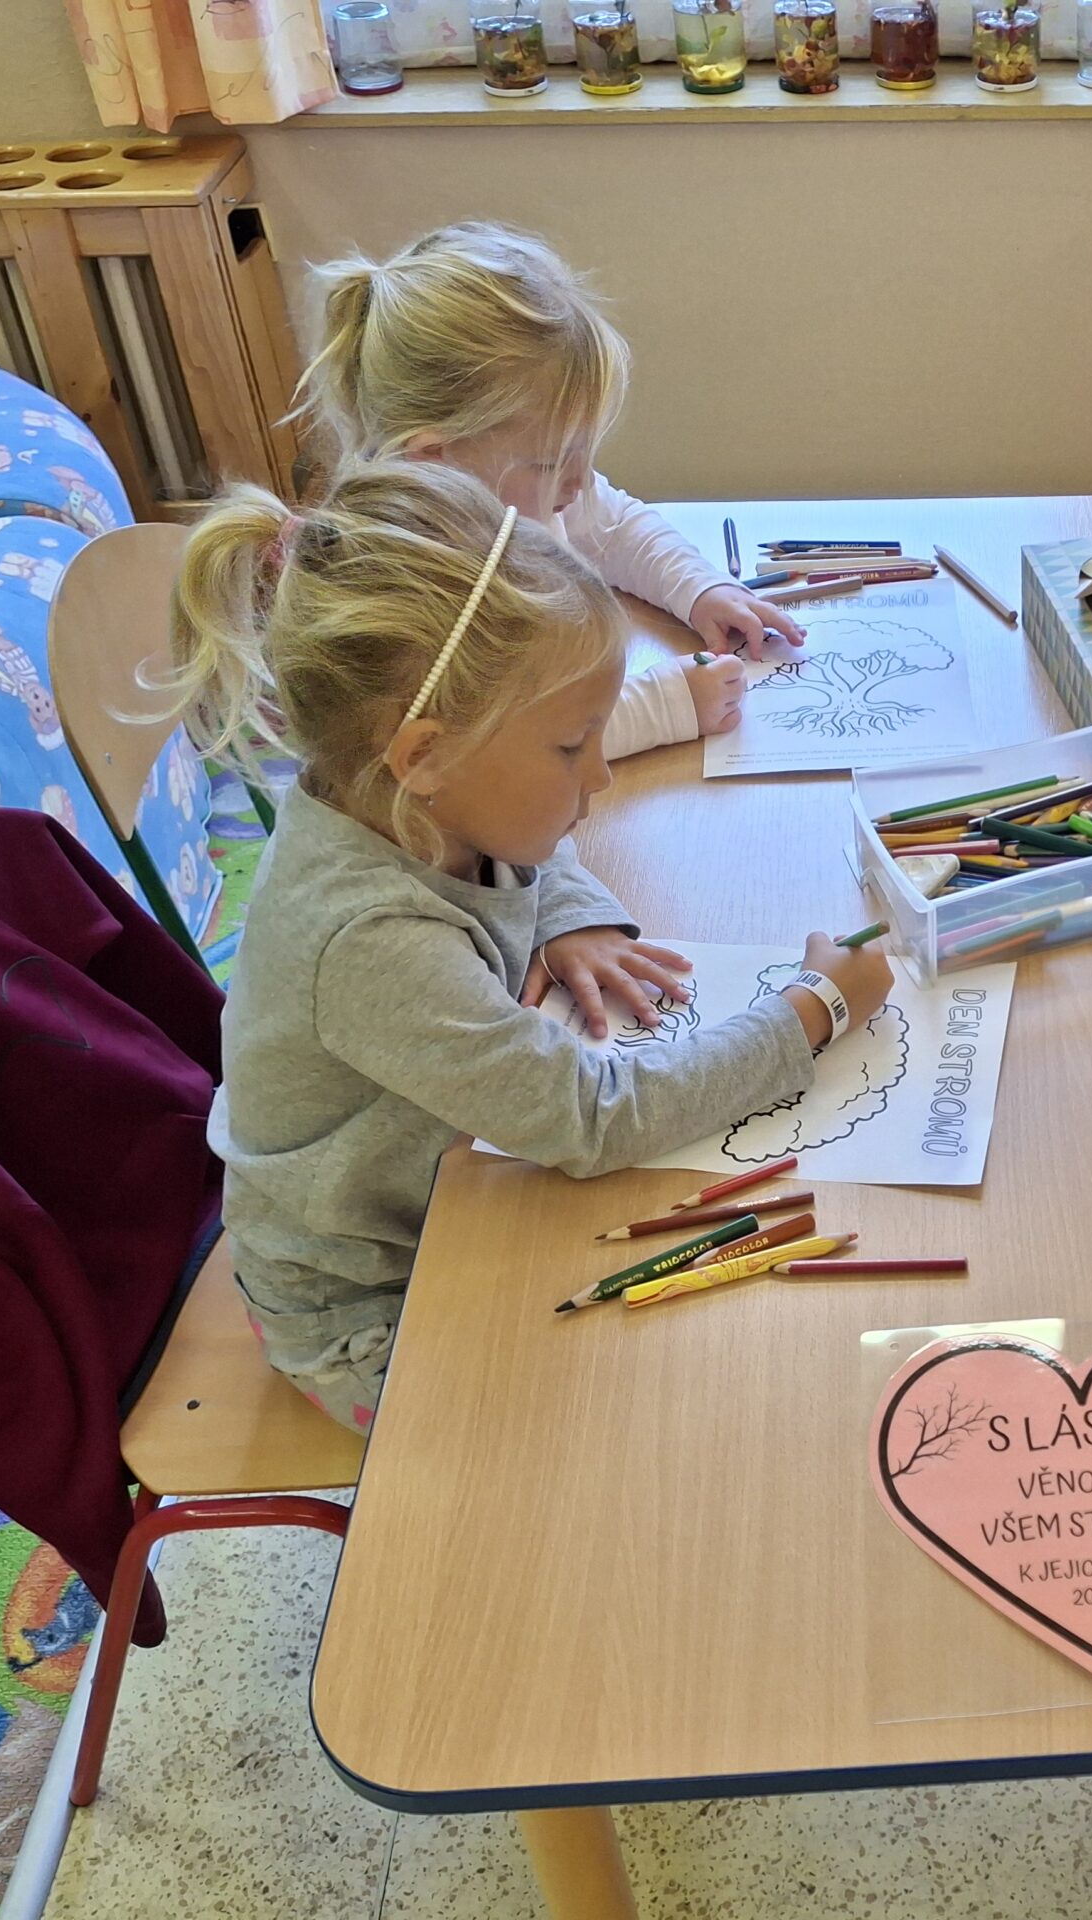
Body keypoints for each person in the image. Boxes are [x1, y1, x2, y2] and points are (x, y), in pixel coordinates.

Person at [169, 459, 888, 1428]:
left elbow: (528, 844)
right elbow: (593, 1119)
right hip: (365, 1310)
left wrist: (568, 912)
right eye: (570, 746)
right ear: (424, 754)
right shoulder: (369, 939)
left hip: (446, 1197)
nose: (599, 778)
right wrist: (813, 1009)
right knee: (658, 1417)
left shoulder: (413, 801)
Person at [297, 221, 803, 761]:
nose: (580, 481)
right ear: (434, 458)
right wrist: (664, 706)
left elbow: (616, 528)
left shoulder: (512, 494)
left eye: (585, 450)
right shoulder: (407, 584)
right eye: (551, 462)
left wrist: (700, 589)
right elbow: (491, 750)